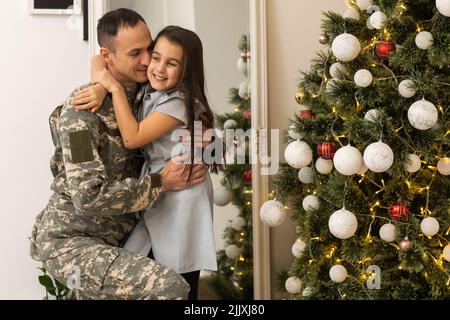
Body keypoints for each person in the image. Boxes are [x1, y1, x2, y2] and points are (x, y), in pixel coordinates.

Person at [30, 8, 207, 300]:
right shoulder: (81, 117)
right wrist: (161, 182)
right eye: (136, 52)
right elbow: (87, 197)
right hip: (73, 242)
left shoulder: (145, 92)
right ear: (110, 55)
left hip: (124, 237)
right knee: (169, 287)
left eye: (149, 48)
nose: (148, 60)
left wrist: (104, 82)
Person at [72, 26, 218, 300]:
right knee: (153, 271)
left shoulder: (177, 101)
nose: (158, 68)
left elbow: (133, 138)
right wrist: (101, 85)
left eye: (171, 63)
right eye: (156, 57)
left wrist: (111, 87)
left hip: (182, 193)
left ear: (186, 70)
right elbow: (98, 59)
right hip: (158, 190)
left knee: (179, 277)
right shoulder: (148, 89)